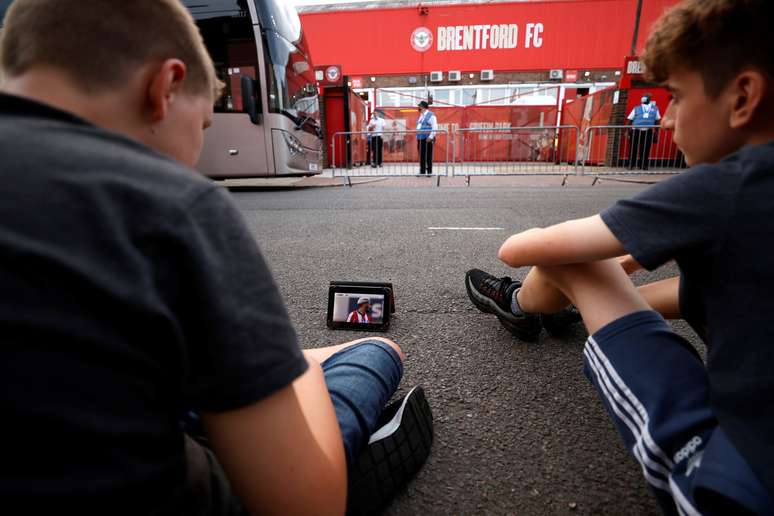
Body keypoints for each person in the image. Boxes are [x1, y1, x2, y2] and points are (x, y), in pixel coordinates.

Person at [0, 1, 432, 514]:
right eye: (203, 125)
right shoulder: (169, 203)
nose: (197, 150)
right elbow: (306, 506)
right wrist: (293, 370)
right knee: (376, 352)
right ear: (164, 87)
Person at [465, 0, 774, 514]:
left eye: (675, 97)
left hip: (731, 487)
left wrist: (617, 260)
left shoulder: (731, 183)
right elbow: (737, 298)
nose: (667, 118)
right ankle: (557, 307)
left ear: (743, 96)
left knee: (576, 261)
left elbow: (517, 248)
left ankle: (522, 304)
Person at [626, 92, 661, 170]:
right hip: (636, 131)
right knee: (633, 148)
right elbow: (630, 120)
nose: (644, 99)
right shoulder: (636, 108)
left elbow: (657, 121)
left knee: (646, 148)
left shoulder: (655, 109)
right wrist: (628, 131)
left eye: (646, 97)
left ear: (649, 99)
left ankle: (643, 165)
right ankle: (631, 165)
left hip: (648, 131)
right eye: (644, 97)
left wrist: (656, 132)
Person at [416, 100, 437, 175]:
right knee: (421, 155)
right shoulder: (421, 115)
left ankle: (429, 171)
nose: (419, 108)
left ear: (424, 107)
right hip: (420, 138)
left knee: (428, 155)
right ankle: (422, 171)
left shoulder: (431, 115)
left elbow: (435, 127)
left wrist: (431, 137)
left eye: (420, 106)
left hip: (427, 138)